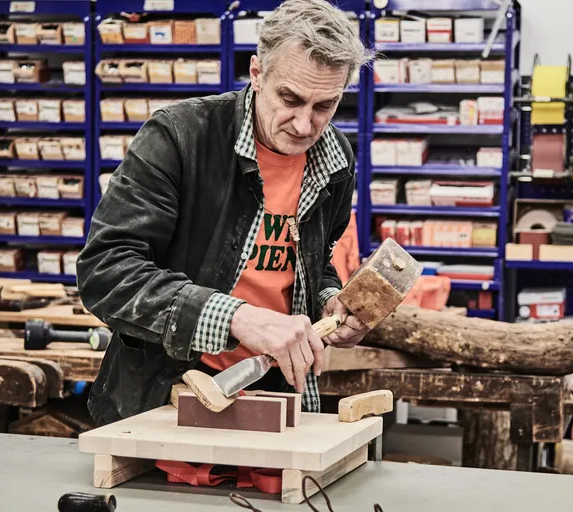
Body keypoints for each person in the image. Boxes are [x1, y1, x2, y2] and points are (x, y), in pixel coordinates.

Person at [75, 0, 373, 426]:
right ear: (257, 73)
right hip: (169, 391)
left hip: (276, 392)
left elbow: (310, 261)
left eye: (324, 106)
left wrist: (329, 302)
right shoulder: (180, 137)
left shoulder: (335, 158)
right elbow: (105, 272)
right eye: (289, 98)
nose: (304, 125)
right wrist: (237, 317)